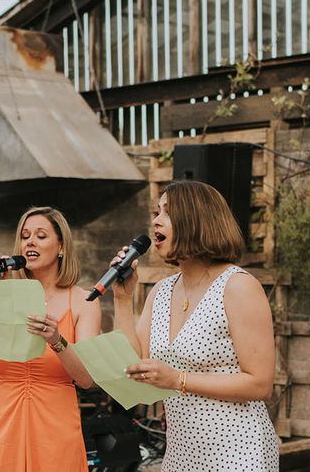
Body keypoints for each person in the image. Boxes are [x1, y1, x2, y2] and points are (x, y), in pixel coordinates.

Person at [112, 179, 279, 471]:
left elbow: (260, 383)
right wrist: (122, 300)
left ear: (195, 220)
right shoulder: (161, 291)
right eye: (156, 212)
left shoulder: (238, 286)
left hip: (237, 451)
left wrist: (179, 380)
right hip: (181, 452)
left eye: (166, 212)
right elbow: (134, 364)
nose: (155, 221)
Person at [0, 206, 101, 472]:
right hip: (5, 425)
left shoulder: (82, 301)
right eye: (25, 235)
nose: (29, 241)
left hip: (55, 427)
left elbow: (87, 379)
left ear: (61, 246)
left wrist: (57, 340)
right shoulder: (7, 295)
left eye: (41, 236)